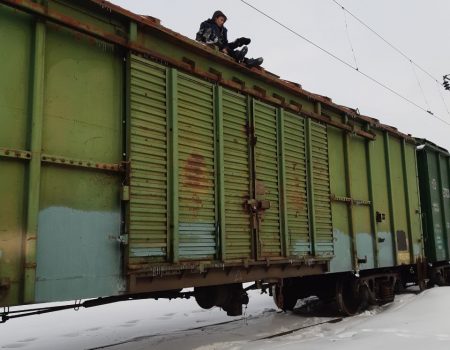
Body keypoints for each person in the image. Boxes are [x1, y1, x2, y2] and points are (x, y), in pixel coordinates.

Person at [196, 10, 263, 68]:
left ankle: (248, 60)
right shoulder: (207, 24)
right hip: (210, 43)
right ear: (216, 18)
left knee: (230, 46)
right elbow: (200, 36)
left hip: (222, 47)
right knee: (226, 48)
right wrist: (201, 42)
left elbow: (225, 43)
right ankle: (240, 56)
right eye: (221, 20)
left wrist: (237, 43)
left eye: (223, 21)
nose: (222, 22)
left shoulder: (223, 30)